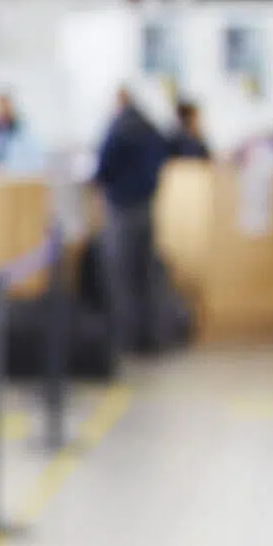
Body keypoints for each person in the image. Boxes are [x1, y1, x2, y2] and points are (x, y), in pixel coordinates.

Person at [92, 87, 172, 352]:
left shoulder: (118, 129)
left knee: (121, 276)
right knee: (147, 275)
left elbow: (104, 167)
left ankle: (126, 339)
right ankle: (154, 337)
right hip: (147, 208)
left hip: (122, 209)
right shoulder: (150, 127)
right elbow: (166, 153)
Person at [0, 92, 48, 171]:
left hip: (16, 176)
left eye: (4, 109)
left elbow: (34, 162)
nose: (1, 112)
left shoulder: (23, 134)